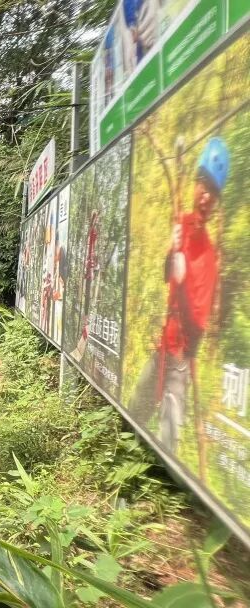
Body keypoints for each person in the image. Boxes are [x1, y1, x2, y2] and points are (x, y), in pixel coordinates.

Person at [129, 137, 226, 452]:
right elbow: (165, 275)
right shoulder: (181, 223)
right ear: (196, 184)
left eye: (213, 192)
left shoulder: (209, 257)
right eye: (203, 184)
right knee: (134, 413)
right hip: (163, 345)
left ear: (217, 201)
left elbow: (197, 323)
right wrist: (172, 255)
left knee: (168, 439)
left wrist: (183, 281)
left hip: (180, 357)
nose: (206, 196)